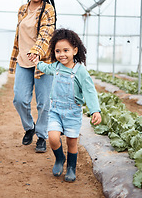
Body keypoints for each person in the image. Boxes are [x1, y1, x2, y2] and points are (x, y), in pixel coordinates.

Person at [29, 28, 101, 182]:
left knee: (71, 141)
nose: (61, 54)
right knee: (53, 138)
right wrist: (37, 62)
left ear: (75, 50)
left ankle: (71, 167)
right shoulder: (55, 67)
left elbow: (89, 91)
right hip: (55, 110)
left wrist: (95, 110)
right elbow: (45, 68)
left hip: (73, 112)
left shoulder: (80, 71)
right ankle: (60, 159)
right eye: (57, 51)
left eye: (66, 50)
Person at [9, 0, 56, 153]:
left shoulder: (48, 10)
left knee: (44, 103)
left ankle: (42, 136)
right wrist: (24, 53)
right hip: (23, 60)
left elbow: (46, 33)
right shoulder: (22, 9)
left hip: (42, 62)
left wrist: (36, 52)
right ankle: (30, 128)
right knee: (20, 99)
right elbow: (20, 35)